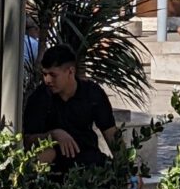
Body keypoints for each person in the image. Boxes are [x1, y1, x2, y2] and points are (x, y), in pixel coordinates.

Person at [24, 41, 116, 170]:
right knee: (45, 154)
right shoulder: (40, 97)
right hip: (54, 163)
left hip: (88, 160)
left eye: (53, 75)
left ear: (70, 71)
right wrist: (53, 135)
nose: (47, 80)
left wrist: (127, 168)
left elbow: (111, 133)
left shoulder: (92, 93)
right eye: (44, 74)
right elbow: (27, 140)